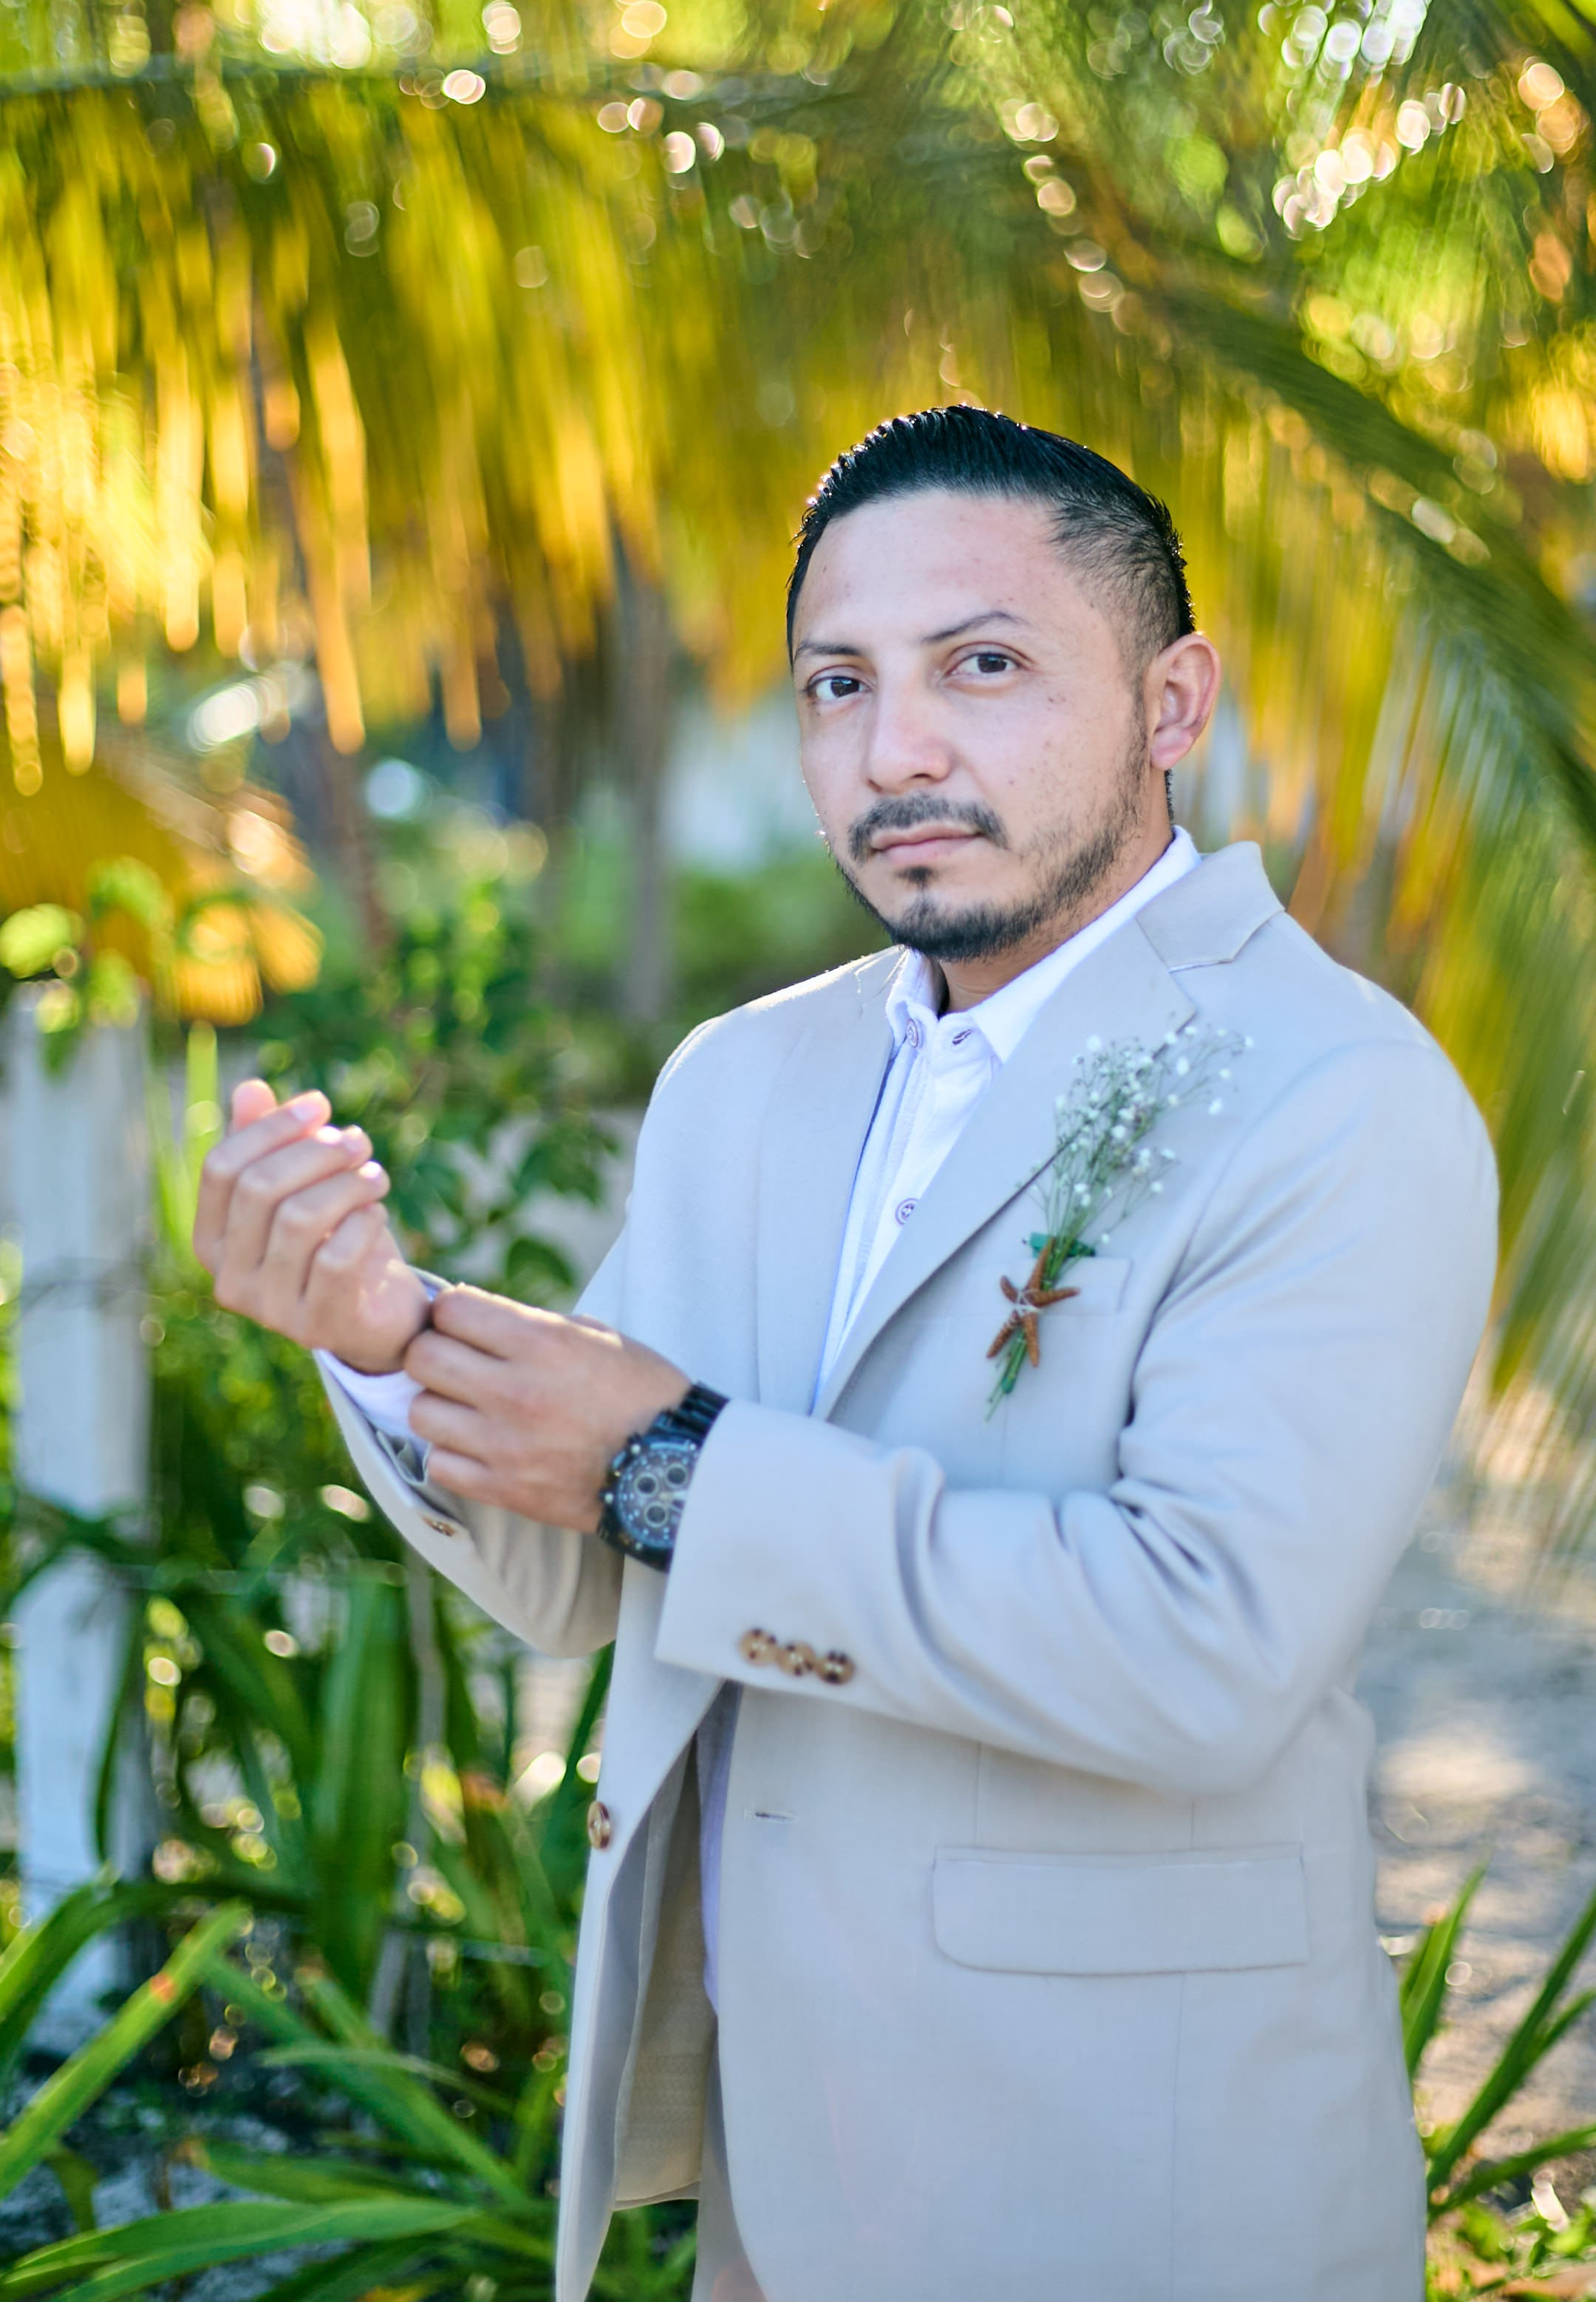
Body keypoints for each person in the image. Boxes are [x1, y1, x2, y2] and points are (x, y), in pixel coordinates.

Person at [194, 406, 1498, 2302]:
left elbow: (1205, 1647)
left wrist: (669, 1467)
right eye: (838, 683)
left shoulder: (1334, 1089)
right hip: (782, 2182)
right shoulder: (747, 1076)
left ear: (1172, 702)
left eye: (985, 665)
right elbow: (587, 1570)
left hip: (1138, 2193)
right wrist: (387, 1334)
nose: (896, 750)